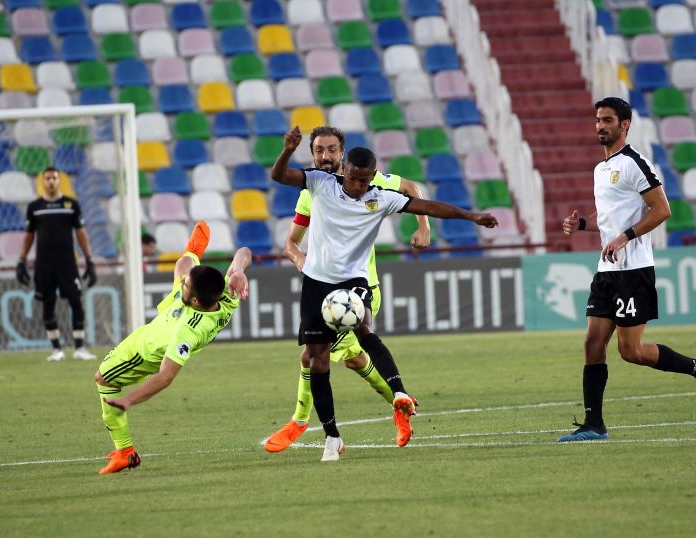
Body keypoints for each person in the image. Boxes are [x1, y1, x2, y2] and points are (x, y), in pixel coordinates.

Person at [271, 126, 497, 461]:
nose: (359, 186)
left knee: (364, 329)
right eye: (355, 179)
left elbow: (429, 205)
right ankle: (332, 436)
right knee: (316, 358)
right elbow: (279, 177)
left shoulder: (381, 196)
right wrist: (288, 150)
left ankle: (399, 393)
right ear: (345, 170)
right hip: (317, 282)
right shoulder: (318, 183)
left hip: (355, 281)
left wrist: (471, 216)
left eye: (365, 181)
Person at [558, 97, 696, 442]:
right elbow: (611, 219)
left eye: (607, 120)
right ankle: (594, 424)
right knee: (592, 343)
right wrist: (584, 223)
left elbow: (662, 209)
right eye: (598, 120)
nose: (600, 126)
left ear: (625, 124)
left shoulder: (635, 163)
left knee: (630, 351)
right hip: (607, 269)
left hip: (633, 270)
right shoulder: (600, 169)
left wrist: (625, 237)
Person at [264, 126, 431, 453]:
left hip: (360, 290)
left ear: (342, 153)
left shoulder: (366, 179)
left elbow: (411, 187)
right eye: (318, 151)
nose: (325, 156)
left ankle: (299, 420)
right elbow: (291, 243)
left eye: (331, 150)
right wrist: (300, 260)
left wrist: (423, 226)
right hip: (325, 289)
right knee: (353, 360)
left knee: (311, 355)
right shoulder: (311, 188)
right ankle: (401, 404)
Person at [95, 221, 251, 474]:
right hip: (163, 323)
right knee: (183, 264)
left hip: (145, 352)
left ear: (195, 300)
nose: (183, 284)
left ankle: (125, 452)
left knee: (103, 379)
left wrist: (129, 400)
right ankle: (193, 251)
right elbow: (244, 251)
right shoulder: (226, 295)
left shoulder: (188, 331)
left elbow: (166, 376)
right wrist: (239, 270)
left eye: (186, 285)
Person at [16, 166, 97, 362]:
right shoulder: (34, 207)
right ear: (42, 182)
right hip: (44, 264)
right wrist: (21, 259)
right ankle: (56, 349)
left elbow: (80, 233)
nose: (51, 181)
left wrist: (89, 259)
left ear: (59, 181)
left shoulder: (71, 204)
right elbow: (29, 235)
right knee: (47, 303)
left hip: (67, 263)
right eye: (47, 178)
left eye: (54, 178)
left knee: (76, 301)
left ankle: (79, 348)